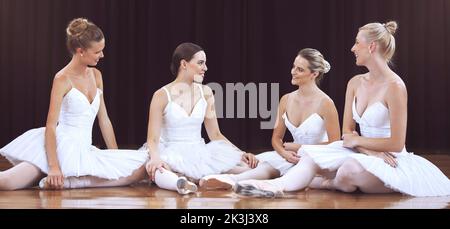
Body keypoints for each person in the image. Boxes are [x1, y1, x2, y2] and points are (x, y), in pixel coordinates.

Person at [235, 21, 450, 197]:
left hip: (391, 160)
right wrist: (363, 147)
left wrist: (357, 141)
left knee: (348, 171)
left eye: (357, 43)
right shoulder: (355, 83)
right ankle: (275, 187)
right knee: (312, 154)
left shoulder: (395, 87)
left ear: (372, 46)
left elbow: (396, 143)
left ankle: (327, 183)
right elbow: (347, 133)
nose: (353, 48)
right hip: (362, 151)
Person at [0, 18, 148, 190]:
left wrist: (114, 157)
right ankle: (53, 175)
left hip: (82, 149)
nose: (102, 55)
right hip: (57, 146)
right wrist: (54, 167)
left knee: (135, 170)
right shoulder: (62, 79)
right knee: (6, 183)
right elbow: (51, 126)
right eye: (97, 51)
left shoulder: (97, 75)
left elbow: (104, 120)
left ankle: (66, 181)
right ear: (81, 51)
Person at [199, 48, 340, 190]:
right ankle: (230, 180)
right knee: (261, 166)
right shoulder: (286, 99)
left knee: (267, 169)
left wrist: (298, 147)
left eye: (300, 69)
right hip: (291, 156)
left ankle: (236, 180)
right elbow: (276, 138)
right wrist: (284, 153)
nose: (293, 72)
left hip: (316, 158)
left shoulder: (326, 103)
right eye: (293, 67)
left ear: (314, 74)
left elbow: (335, 143)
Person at [142, 42, 257, 194]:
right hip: (170, 150)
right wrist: (155, 158)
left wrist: (240, 153)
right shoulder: (161, 95)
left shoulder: (206, 92)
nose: (205, 68)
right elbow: (153, 138)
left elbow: (215, 134)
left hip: (198, 151)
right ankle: (179, 183)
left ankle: (205, 179)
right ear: (184, 64)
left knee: (248, 166)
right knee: (158, 169)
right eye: (201, 63)